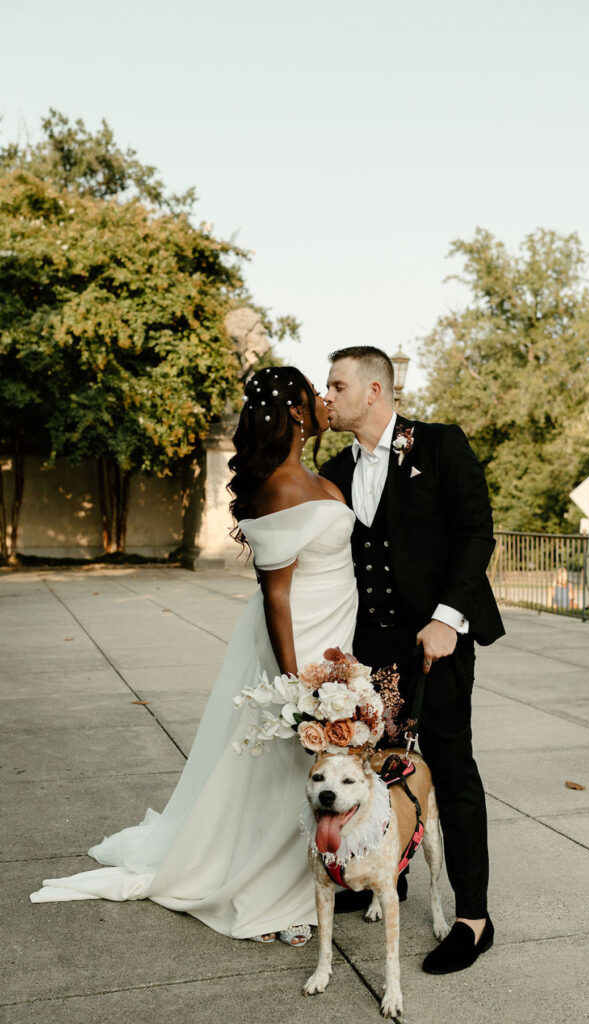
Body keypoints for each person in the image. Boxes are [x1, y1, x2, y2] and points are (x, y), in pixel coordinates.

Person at [30, 367, 358, 946]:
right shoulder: (281, 486)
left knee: (306, 769)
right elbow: (276, 594)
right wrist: (293, 688)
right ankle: (265, 888)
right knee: (282, 766)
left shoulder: (313, 476)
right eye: (317, 392)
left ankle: (311, 869)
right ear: (300, 412)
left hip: (335, 631)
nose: (327, 400)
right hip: (298, 638)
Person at [320, 345, 504, 975]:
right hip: (370, 654)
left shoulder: (439, 445)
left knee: (451, 772)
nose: (330, 395)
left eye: (338, 385)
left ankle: (473, 920)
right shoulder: (334, 470)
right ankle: (387, 879)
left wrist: (447, 618)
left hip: (438, 642)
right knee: (379, 769)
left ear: (374, 390)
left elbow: (477, 532)